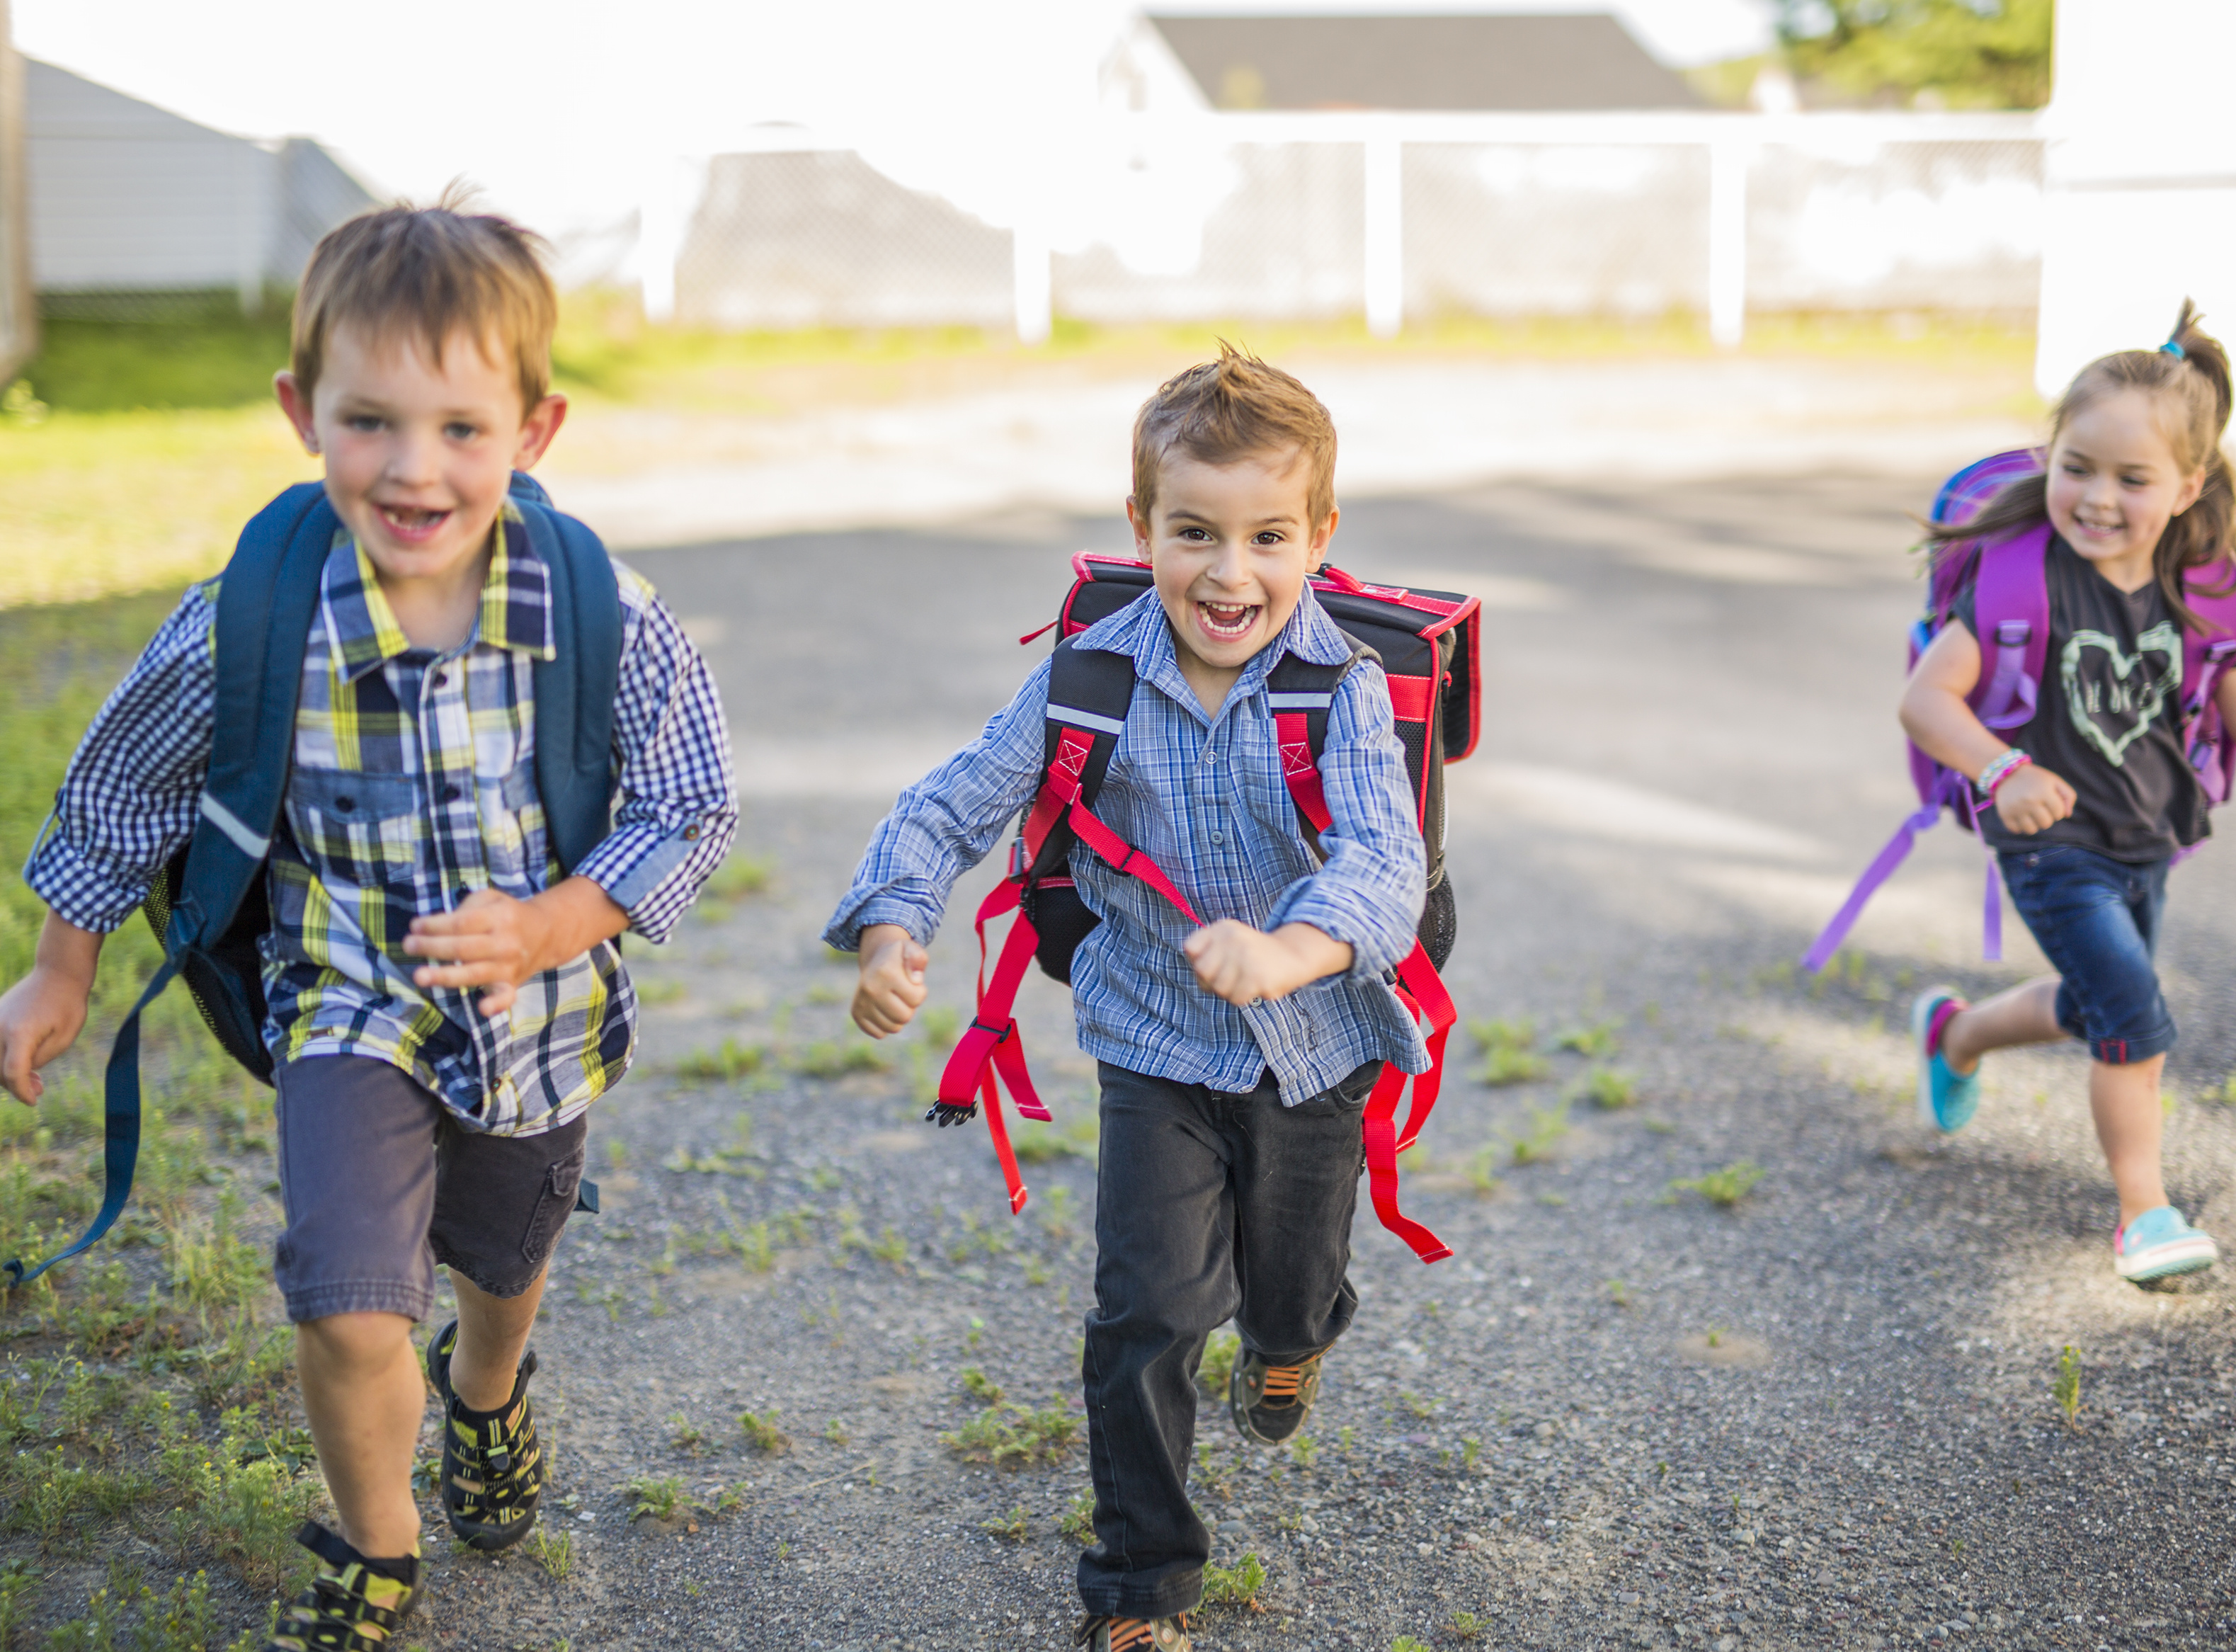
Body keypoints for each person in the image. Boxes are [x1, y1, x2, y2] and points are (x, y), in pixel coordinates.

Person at [0, 201, 737, 1648]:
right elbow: (118, 785)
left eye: (462, 428)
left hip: (539, 1025)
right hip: (343, 1001)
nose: (414, 468)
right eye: (371, 421)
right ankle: (377, 1547)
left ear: (535, 428)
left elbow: (691, 802)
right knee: (346, 1299)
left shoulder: (600, 612)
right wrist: (54, 971)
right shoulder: (257, 615)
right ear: (301, 412)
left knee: (498, 1269)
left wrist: (552, 925)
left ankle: (486, 1393)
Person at [827, 346, 1429, 1651]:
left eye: (1269, 536)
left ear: (1320, 537)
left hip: (1315, 1047)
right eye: (1195, 531)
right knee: (1146, 1309)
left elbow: (1388, 858)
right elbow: (948, 804)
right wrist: (892, 924)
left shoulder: (1344, 689)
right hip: (1155, 1043)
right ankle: (1143, 1581)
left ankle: (1291, 1336)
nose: (1230, 572)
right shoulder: (1085, 679)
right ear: (1141, 526)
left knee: (1292, 1281)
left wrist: (1296, 947)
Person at [1900, 302, 2236, 1286]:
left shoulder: (2196, 589)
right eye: (2075, 466)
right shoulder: (2014, 583)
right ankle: (2145, 1215)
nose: (2095, 498)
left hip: (2148, 834)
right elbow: (1926, 702)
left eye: (2133, 479)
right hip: (2047, 841)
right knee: (2134, 1016)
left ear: (2188, 485)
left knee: (2099, 1015)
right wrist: (2002, 768)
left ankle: (1955, 1034)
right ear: (2051, 453)